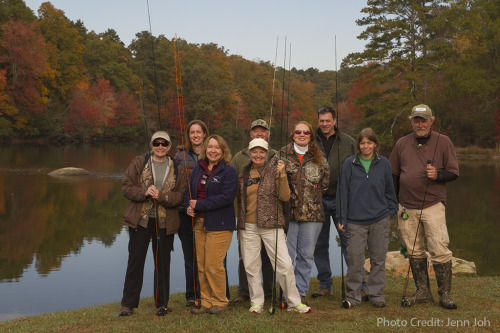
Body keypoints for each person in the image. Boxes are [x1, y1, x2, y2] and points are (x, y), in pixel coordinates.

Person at [389, 104, 459, 310]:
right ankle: (422, 292)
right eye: (416, 120)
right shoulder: (401, 143)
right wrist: (395, 202)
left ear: (431, 121)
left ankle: (445, 295)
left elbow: (454, 173)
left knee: (439, 248)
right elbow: (393, 175)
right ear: (411, 121)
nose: (420, 124)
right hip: (406, 206)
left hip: (433, 205)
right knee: (413, 250)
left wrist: (438, 175)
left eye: (423, 120)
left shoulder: (444, 142)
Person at [237, 138, 311, 314]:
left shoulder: (275, 169)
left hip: (271, 224)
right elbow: (240, 201)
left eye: (262, 151)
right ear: (250, 153)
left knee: (284, 265)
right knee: (251, 266)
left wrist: (282, 174)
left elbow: (285, 197)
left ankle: (294, 302)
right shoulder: (244, 172)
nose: (258, 155)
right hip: (248, 226)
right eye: (254, 151)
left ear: (267, 153)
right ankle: (257, 302)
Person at [119, 131, 187, 316]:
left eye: (164, 143)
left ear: (169, 146)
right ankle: (128, 305)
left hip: (165, 223)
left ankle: (161, 304)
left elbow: (180, 196)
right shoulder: (139, 163)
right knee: (135, 262)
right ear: (151, 145)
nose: (160, 147)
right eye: (156, 143)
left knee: (163, 264)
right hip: (140, 222)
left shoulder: (176, 166)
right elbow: (126, 187)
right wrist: (144, 192)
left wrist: (162, 196)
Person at [337, 128, 398, 308]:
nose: (366, 146)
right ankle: (353, 296)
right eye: (362, 143)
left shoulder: (384, 164)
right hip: (355, 221)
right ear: (358, 145)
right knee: (355, 260)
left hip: (379, 219)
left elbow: (390, 190)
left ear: (375, 144)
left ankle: (376, 294)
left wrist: (391, 210)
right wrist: (342, 217)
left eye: (369, 143)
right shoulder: (349, 164)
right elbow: (343, 193)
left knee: (378, 259)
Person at [312, 106, 369, 299]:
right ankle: (325, 284)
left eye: (328, 120)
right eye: (321, 120)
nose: (325, 124)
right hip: (316, 200)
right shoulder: (310, 141)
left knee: (349, 244)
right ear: (317, 121)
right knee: (319, 245)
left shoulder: (349, 142)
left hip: (342, 200)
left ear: (335, 121)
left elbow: (361, 168)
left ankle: (359, 284)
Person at [185, 134, 238, 315]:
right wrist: (188, 206)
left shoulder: (228, 171)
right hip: (199, 223)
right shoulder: (198, 169)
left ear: (223, 151)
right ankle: (206, 303)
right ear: (205, 150)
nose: (213, 151)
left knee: (213, 265)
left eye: (217, 148)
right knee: (201, 265)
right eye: (210, 147)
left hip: (220, 224)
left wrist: (200, 205)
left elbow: (227, 197)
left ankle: (220, 302)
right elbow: (189, 191)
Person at [282, 121, 329, 305]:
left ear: (311, 136)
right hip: (289, 215)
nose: (302, 135)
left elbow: (324, 184)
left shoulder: (319, 158)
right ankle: (287, 293)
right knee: (287, 257)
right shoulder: (281, 155)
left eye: (306, 132)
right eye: (298, 132)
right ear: (292, 134)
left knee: (306, 255)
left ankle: (300, 292)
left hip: (313, 215)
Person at [229, 119, 275, 305]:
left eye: (263, 131)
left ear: (268, 134)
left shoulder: (275, 156)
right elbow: (232, 188)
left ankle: (270, 291)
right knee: (245, 257)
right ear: (250, 134)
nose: (259, 134)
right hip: (246, 217)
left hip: (269, 217)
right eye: (255, 131)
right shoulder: (239, 157)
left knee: (268, 256)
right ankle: (244, 292)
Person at [174, 120, 209, 307]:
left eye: (199, 132)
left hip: (207, 211)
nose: (195, 135)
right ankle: (191, 294)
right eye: (192, 132)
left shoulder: (212, 152)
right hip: (184, 212)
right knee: (190, 256)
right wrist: (186, 204)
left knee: (211, 255)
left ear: (204, 133)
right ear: (188, 135)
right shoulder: (180, 156)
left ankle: (216, 292)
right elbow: (175, 184)